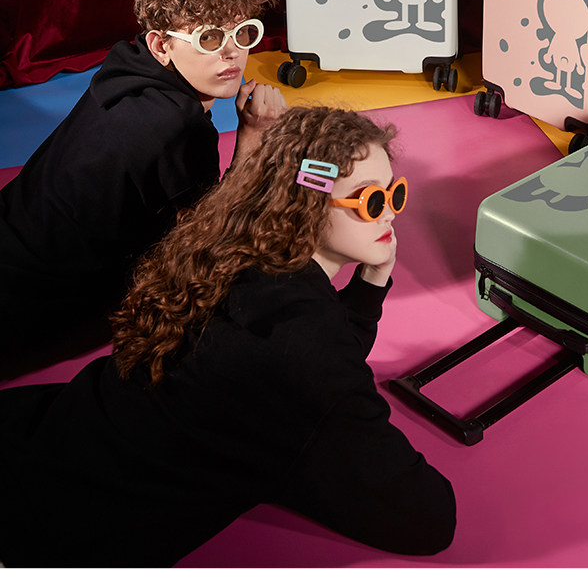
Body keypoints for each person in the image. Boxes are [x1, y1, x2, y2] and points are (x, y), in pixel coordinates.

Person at [0, 106, 456, 566]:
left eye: (395, 193)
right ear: (309, 205)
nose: (389, 215)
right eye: (371, 201)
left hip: (46, 436)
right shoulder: (304, 344)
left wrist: (372, 282)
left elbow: (329, 364)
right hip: (56, 532)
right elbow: (429, 519)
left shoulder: (226, 251)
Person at [0, 0, 286, 373]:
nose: (232, 53)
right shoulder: (174, 127)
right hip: (30, 307)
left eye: (243, 33)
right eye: (209, 38)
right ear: (161, 45)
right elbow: (209, 245)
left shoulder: (125, 67)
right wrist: (255, 136)